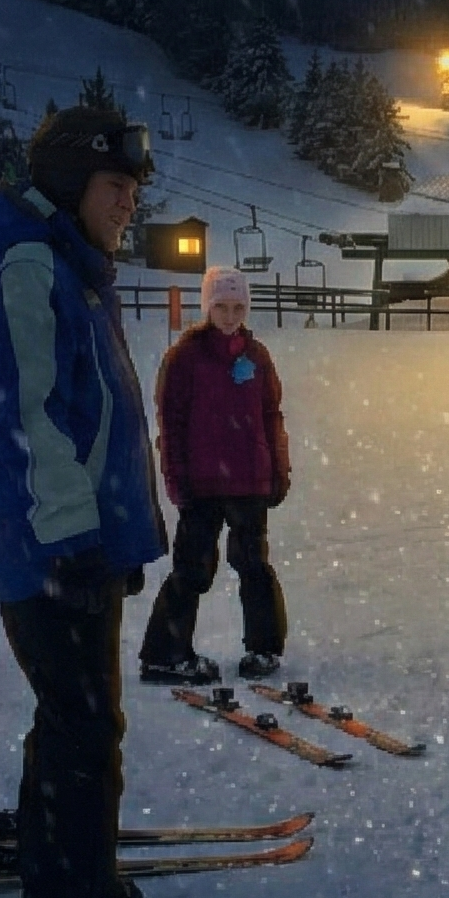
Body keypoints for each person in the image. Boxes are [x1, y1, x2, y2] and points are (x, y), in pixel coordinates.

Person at [0, 104, 168, 898]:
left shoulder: (70, 266)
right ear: (66, 183)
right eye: (116, 186)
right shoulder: (28, 265)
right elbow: (28, 416)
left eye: (132, 189)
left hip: (74, 541)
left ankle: (63, 869)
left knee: (76, 720)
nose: (129, 204)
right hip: (52, 550)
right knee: (86, 728)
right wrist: (74, 537)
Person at [138, 267, 292, 684]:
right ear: (207, 307)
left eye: (238, 307)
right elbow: (171, 423)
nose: (229, 315)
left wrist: (279, 468)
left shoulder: (256, 356)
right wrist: (176, 478)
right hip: (203, 486)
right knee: (191, 568)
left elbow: (270, 415)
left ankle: (264, 648)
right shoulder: (185, 358)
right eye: (221, 307)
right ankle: (164, 653)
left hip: (249, 482)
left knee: (254, 565)